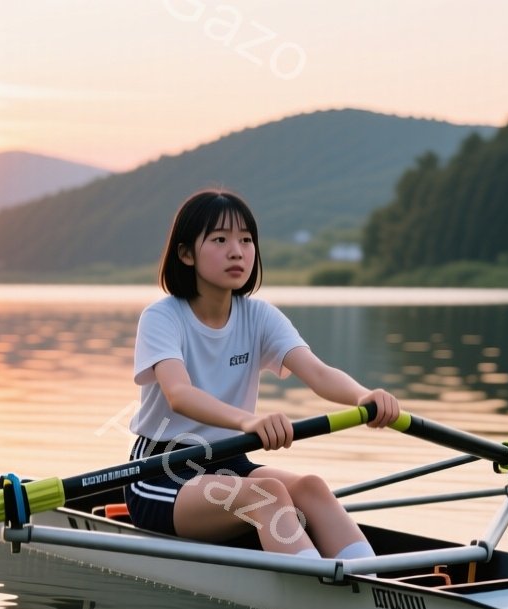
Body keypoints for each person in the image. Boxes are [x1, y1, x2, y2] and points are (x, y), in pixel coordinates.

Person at [126, 189, 401, 558]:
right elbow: (179, 393)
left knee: (311, 488)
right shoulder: (162, 317)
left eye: (246, 240)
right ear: (186, 254)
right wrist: (249, 421)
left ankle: (368, 583)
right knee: (267, 495)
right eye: (220, 239)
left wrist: (362, 396)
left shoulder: (259, 316)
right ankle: (318, 588)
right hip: (166, 469)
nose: (237, 251)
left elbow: (317, 373)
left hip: (231, 461)